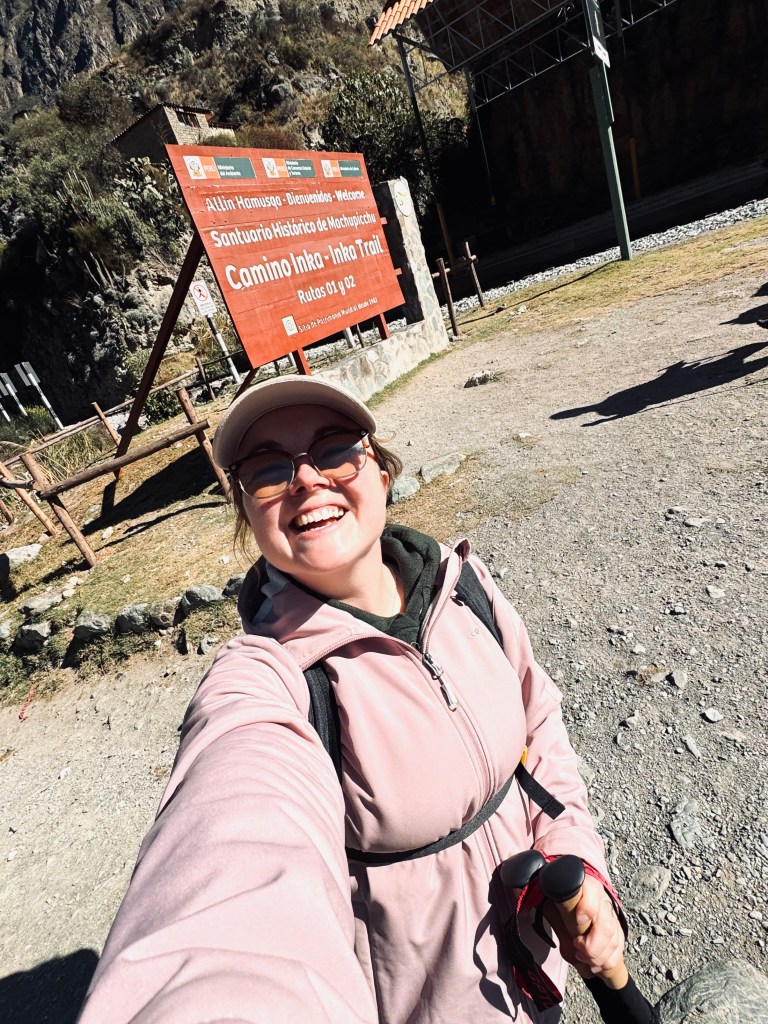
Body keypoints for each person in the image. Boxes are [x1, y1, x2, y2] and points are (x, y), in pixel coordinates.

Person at [77, 376, 627, 1024]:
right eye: (266, 469)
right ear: (246, 509)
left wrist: (574, 855)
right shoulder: (269, 680)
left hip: (543, 954)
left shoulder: (464, 585)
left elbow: (539, 728)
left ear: (380, 470)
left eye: (334, 449)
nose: (307, 479)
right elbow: (234, 854)